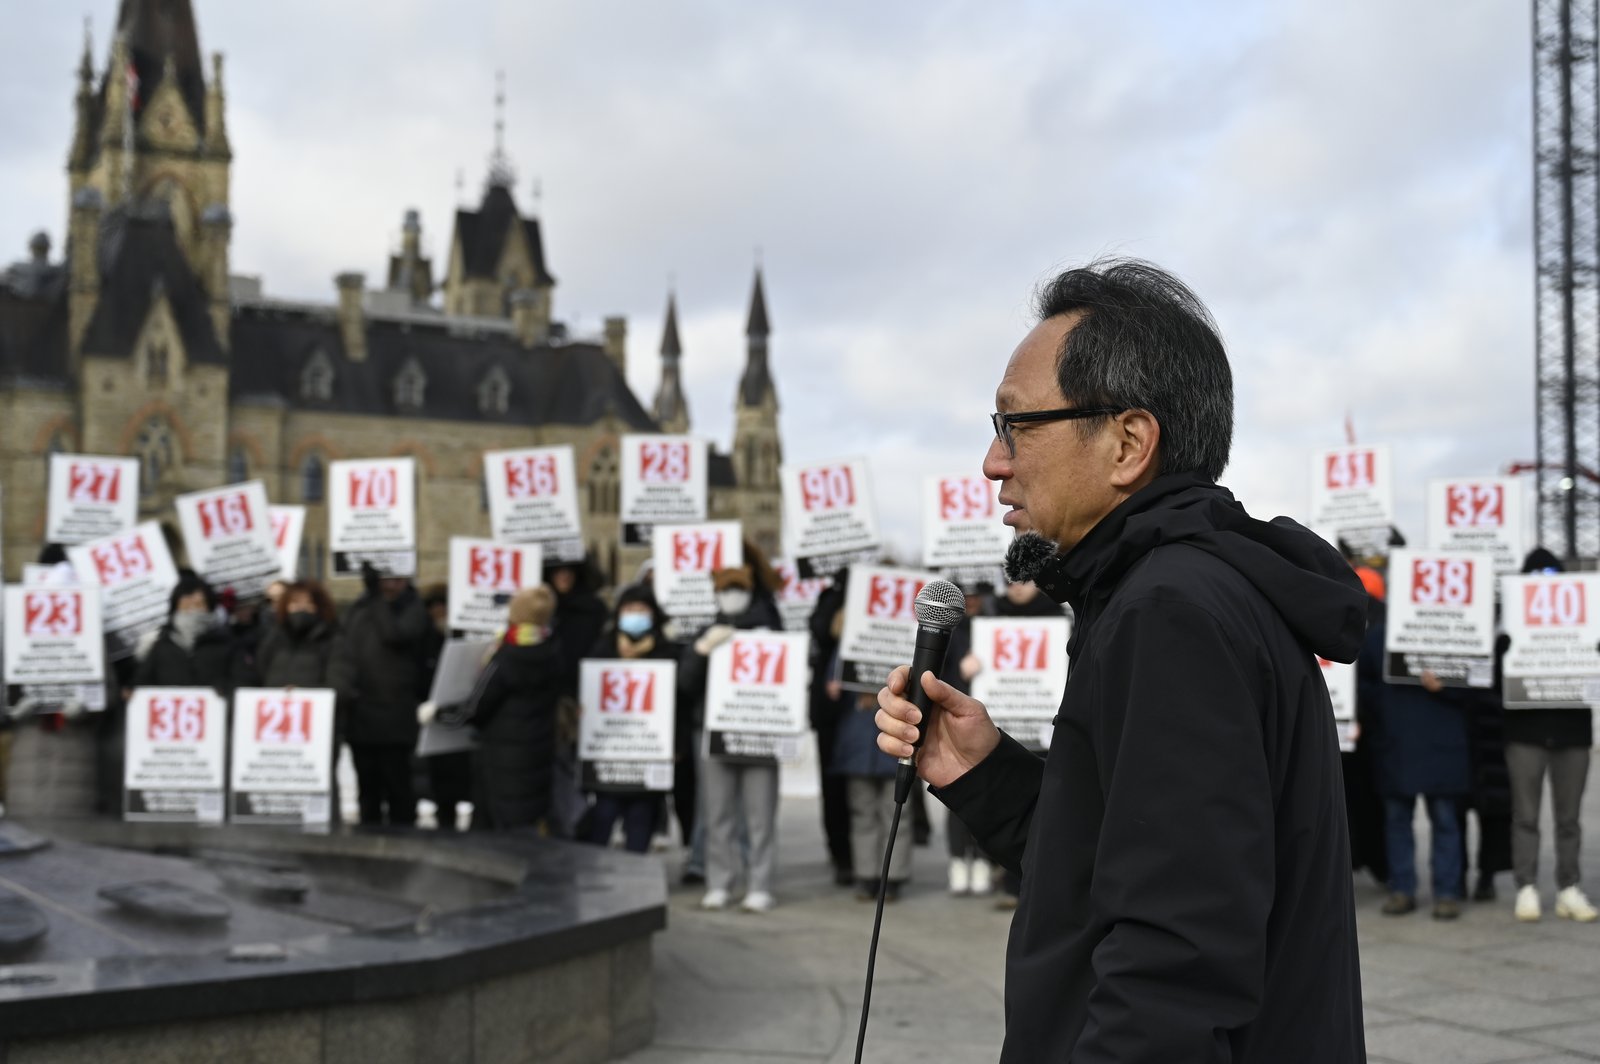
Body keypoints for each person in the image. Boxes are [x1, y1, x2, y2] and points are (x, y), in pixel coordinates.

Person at [875, 259, 1366, 1061]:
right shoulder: (1167, 589)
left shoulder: (1170, 611)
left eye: (1016, 426)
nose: (993, 462)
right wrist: (982, 771)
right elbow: (1112, 868)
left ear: (1129, 444)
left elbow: (1175, 957)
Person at [683, 556, 785, 912]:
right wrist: (701, 651)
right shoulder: (707, 631)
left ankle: (760, 885)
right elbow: (685, 684)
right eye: (725, 590)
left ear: (750, 590)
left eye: (738, 589)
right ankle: (719, 883)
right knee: (717, 813)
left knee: (760, 815)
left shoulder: (771, 630)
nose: (731, 595)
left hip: (760, 733)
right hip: (714, 732)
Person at [1504, 547, 1598, 922]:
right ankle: (1526, 886)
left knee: (1569, 818)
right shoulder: (1507, 625)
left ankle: (1568, 887)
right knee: (1525, 815)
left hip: (1571, 733)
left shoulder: (1587, 621)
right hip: (1525, 732)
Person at [1358, 622, 1468, 919]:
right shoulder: (1378, 637)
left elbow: (1476, 686)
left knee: (1443, 820)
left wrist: (1445, 688)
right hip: (1397, 742)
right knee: (1399, 821)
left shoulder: (1455, 632)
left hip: (1439, 743)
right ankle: (1403, 889)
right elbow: (1363, 685)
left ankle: (1445, 892)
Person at [332, 566, 429, 827]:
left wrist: (375, 597)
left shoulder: (414, 608)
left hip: (395, 714)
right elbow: (344, 647)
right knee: (368, 789)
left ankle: (404, 840)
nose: (390, 586)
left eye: (396, 579)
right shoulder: (359, 608)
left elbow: (394, 634)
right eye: (385, 580)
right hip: (361, 712)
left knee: (398, 787)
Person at [585, 585, 680, 852]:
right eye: (629, 609)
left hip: (647, 755)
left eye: (641, 609)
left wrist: (677, 745)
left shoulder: (666, 652)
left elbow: (678, 702)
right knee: (602, 817)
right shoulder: (603, 648)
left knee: (641, 821)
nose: (635, 614)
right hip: (609, 756)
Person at [462, 585, 564, 832]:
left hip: (503, 758)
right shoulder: (553, 650)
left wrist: (444, 714)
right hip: (537, 751)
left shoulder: (506, 656)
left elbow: (477, 706)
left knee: (498, 828)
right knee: (525, 823)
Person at [834, 689, 913, 901]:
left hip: (894, 748)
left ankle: (892, 877)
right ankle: (866, 875)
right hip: (860, 748)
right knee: (863, 815)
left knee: (896, 816)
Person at [134, 572, 258, 697]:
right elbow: (141, 684)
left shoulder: (227, 644)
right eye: (186, 606)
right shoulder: (162, 647)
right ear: (175, 609)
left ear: (210, 607)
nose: (192, 611)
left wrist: (222, 696)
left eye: (198, 605)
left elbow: (244, 683)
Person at [807, 572, 855, 887]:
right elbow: (820, 631)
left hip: (865, 711)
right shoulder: (828, 599)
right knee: (834, 790)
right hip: (831, 714)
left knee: (867, 792)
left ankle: (869, 857)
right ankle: (842, 856)